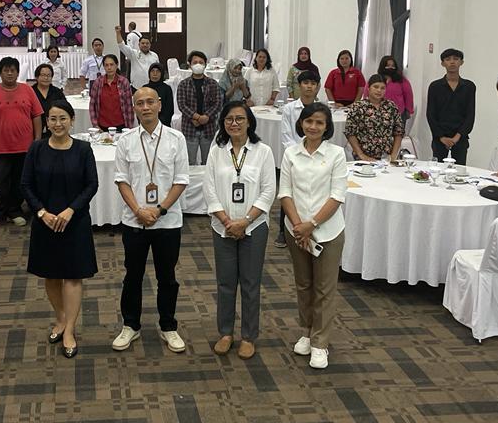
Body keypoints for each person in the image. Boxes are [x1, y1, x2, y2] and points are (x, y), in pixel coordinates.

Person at [112, 87, 191, 353]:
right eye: (139, 103)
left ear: (159, 105)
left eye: (149, 102)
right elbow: (121, 180)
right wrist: (139, 210)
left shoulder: (175, 139)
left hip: (167, 222)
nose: (145, 107)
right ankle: (130, 325)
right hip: (134, 221)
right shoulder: (125, 141)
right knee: (132, 275)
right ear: (134, 108)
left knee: (167, 277)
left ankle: (168, 326)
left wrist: (159, 210)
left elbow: (181, 180)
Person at [22, 101, 99, 359]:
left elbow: (91, 185)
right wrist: (41, 212)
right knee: (51, 275)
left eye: (63, 118)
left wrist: (71, 210)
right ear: (46, 122)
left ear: (72, 120)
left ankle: (70, 330)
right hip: (45, 221)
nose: (57, 124)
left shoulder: (83, 149)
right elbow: (26, 185)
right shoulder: (36, 149)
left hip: (75, 221)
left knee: (73, 276)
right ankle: (61, 318)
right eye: (53, 119)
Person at [203, 101, 276, 360]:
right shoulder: (216, 151)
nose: (234, 123)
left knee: (250, 283)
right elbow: (209, 189)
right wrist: (226, 221)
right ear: (223, 123)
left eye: (240, 119)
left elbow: (269, 191)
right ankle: (225, 333)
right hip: (222, 227)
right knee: (225, 282)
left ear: (249, 122)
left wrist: (244, 221)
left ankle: (248, 336)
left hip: (254, 227)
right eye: (229, 119)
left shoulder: (263, 151)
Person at [279, 102, 347, 369]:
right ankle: (307, 331)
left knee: (324, 288)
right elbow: (285, 192)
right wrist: (299, 226)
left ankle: (320, 343)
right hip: (296, 230)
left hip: (328, 232)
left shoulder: (336, 154)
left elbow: (337, 196)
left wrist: (312, 224)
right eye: (309, 121)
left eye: (319, 122)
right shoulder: (291, 153)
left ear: (327, 126)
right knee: (304, 284)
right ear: (301, 123)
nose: (313, 126)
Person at [0, 56, 43, 227]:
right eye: (6, 70)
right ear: (0, 73)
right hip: (0, 147)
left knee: (20, 182)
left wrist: (37, 140)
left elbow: (36, 115)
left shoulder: (27, 90)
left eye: (13, 70)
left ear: (18, 72)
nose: (10, 73)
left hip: (24, 147)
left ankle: (14, 210)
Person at [277, 70, 322, 245]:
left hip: (316, 157)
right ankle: (283, 231)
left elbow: (324, 134)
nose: (309, 87)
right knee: (288, 193)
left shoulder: (322, 109)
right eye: (305, 83)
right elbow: (286, 135)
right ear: (299, 85)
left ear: (317, 87)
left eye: (313, 83)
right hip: (294, 158)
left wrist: (311, 153)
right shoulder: (289, 108)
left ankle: (312, 227)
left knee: (313, 193)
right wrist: (300, 154)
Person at [426, 48, 476, 165]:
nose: (452, 62)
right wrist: (441, 137)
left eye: (456, 59)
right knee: (438, 168)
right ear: (443, 63)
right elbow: (430, 114)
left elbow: (470, 114)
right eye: (448, 59)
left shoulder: (469, 86)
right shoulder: (435, 86)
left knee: (459, 169)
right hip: (439, 136)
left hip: (461, 136)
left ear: (461, 62)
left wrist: (457, 136)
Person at [176, 50, 223, 165]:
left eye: (201, 62)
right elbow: (182, 104)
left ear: (205, 64)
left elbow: (218, 103)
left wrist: (206, 116)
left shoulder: (212, 83)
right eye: (195, 62)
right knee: (190, 162)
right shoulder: (183, 84)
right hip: (190, 128)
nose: (198, 65)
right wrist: (196, 117)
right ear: (190, 65)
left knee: (208, 162)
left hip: (208, 128)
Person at [345, 74, 405, 163]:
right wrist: (361, 155)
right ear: (368, 88)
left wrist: (394, 155)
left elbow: (399, 132)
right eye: (376, 87)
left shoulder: (391, 106)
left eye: (382, 88)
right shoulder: (358, 107)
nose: (379, 90)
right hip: (364, 158)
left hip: (387, 158)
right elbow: (350, 132)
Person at [89, 54, 135, 131]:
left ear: (116, 65)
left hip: (121, 125)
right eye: (106, 65)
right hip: (102, 126)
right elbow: (92, 105)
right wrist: (95, 125)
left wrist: (129, 127)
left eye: (111, 64)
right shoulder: (98, 82)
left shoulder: (124, 82)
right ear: (104, 67)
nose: (109, 68)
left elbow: (129, 106)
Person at [373, 56, 415, 123]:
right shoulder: (376, 79)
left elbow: (408, 95)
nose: (390, 68)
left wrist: (408, 110)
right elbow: (368, 93)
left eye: (393, 66)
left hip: (398, 114)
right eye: (388, 65)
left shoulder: (401, 80)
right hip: (378, 113)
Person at [31, 63, 66, 137]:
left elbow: (65, 109)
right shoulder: (30, 92)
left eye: (48, 75)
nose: (46, 78)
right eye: (43, 75)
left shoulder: (57, 92)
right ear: (37, 77)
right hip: (34, 130)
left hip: (55, 130)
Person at [144, 63, 175, 127]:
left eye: (158, 71)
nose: (155, 74)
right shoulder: (144, 88)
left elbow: (169, 109)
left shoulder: (167, 89)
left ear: (162, 74)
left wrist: (158, 124)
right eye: (152, 71)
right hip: (146, 123)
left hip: (163, 125)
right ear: (149, 73)